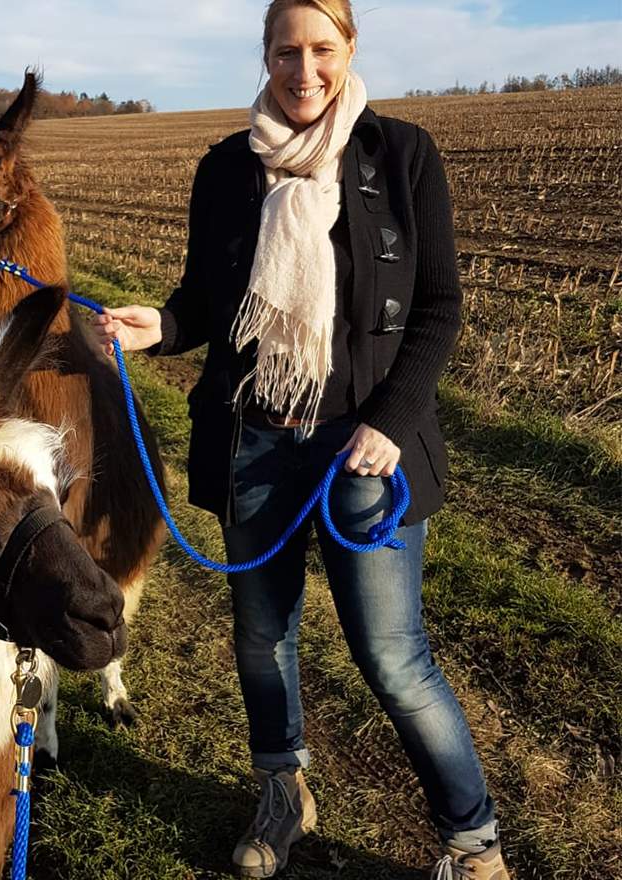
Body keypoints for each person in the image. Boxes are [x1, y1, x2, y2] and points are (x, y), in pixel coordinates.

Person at [91, 2, 509, 878]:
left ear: (350, 49)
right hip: (256, 442)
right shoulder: (225, 169)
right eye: (287, 51)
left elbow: (438, 311)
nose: (304, 70)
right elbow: (205, 305)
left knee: (393, 658)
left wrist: (391, 425)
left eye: (323, 49)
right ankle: (283, 793)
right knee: (260, 637)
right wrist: (155, 328)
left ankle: (474, 843)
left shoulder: (403, 155)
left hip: (365, 453)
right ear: (267, 55)